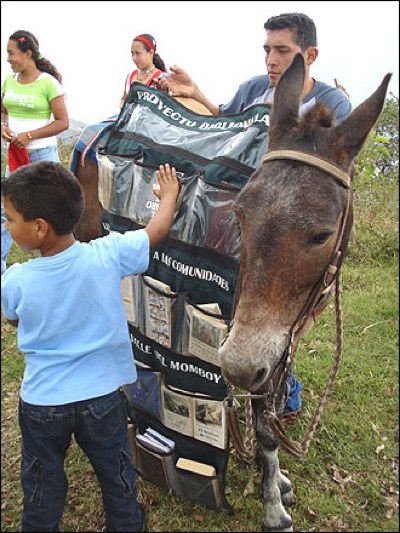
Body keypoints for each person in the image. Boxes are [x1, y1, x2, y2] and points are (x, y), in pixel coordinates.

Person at [156, 12, 353, 417]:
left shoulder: (333, 104)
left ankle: (284, 387)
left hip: (286, 229)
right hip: (244, 215)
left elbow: (332, 172)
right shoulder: (253, 89)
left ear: (309, 54)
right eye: (267, 49)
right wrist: (196, 93)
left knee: (281, 309)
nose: (271, 60)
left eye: (283, 50)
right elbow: (223, 127)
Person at [1, 160, 179, 532]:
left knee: (41, 480)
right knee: (115, 471)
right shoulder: (107, 254)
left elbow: (14, 318)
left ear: (39, 228)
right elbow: (156, 231)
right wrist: (169, 196)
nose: (6, 225)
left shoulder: (16, 280)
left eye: (10, 218)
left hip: (42, 404)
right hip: (102, 400)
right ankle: (127, 524)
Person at [1, 30, 69, 275]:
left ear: (27, 53)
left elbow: (63, 122)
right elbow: (3, 110)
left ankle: (55, 269)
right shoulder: (9, 81)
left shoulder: (48, 83)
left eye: (11, 53)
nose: (8, 58)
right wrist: (4, 127)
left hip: (42, 159)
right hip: (15, 158)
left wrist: (29, 136)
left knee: (49, 215)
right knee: (6, 213)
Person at [120, 33, 167, 108]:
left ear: (151, 53)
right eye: (132, 53)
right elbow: (123, 99)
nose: (134, 58)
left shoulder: (161, 79)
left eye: (138, 53)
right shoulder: (130, 76)